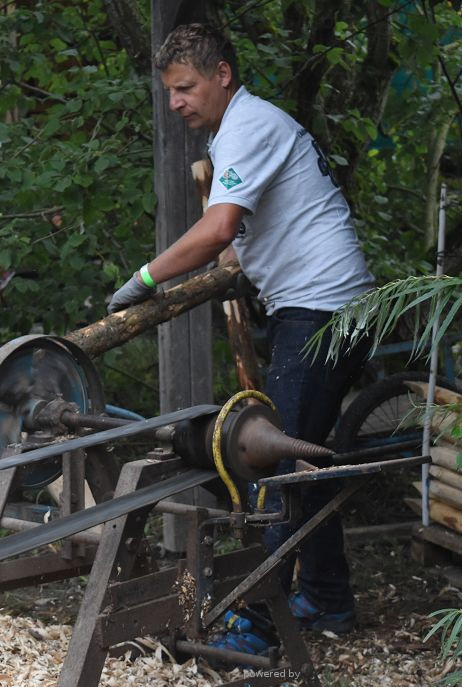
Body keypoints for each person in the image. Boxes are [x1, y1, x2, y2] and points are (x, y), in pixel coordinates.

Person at [107, 23, 376, 644]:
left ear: (222, 75)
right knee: (302, 456)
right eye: (171, 91)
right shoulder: (244, 128)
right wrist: (237, 266)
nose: (175, 102)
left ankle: (253, 626)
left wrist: (145, 277)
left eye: (185, 87)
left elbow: (218, 229)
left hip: (322, 312)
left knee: (271, 466)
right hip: (326, 307)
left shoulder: (249, 127)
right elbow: (243, 240)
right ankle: (328, 603)